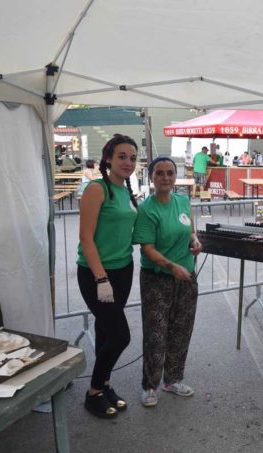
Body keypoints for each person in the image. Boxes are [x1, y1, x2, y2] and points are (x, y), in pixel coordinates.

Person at [76, 134, 139, 419]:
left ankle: (105, 385)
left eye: (133, 157)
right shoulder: (96, 189)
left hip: (124, 269)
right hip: (96, 274)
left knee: (105, 330)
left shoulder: (126, 191)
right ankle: (93, 392)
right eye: (122, 156)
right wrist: (101, 279)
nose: (128, 162)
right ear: (108, 159)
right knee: (120, 335)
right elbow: (86, 239)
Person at [133, 157, 203, 407]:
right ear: (151, 177)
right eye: (160, 173)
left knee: (181, 331)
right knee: (156, 335)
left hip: (186, 277)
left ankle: (172, 379)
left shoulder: (183, 201)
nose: (165, 177)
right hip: (157, 280)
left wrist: (194, 242)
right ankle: (149, 386)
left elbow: (190, 231)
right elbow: (148, 249)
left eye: (170, 173)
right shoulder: (146, 209)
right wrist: (172, 266)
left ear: (175, 176)